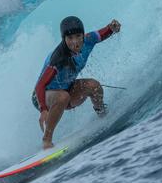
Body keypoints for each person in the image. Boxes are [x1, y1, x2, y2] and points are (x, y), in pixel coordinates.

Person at [31, 16, 121, 149]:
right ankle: (47, 140)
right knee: (62, 96)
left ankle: (103, 115)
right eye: (70, 38)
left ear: (83, 35)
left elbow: (104, 32)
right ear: (64, 39)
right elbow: (40, 85)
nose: (75, 42)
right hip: (42, 97)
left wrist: (112, 28)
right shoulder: (58, 58)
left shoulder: (88, 40)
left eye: (78, 36)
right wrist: (43, 110)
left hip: (67, 91)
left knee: (94, 86)